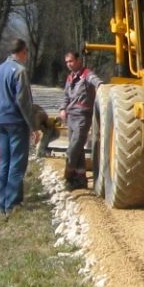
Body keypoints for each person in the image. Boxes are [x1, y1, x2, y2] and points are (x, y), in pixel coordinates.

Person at [0, 38, 34, 214]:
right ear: (22, 51)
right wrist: (32, 125)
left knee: (4, 162)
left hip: (0, 120)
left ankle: (2, 203)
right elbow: (23, 101)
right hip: (16, 121)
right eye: (26, 52)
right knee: (17, 162)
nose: (26, 55)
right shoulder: (20, 71)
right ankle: (13, 203)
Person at [60, 49, 101, 189]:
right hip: (71, 117)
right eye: (67, 62)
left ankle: (68, 175)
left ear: (78, 60)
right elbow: (66, 96)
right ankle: (80, 178)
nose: (69, 64)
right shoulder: (70, 78)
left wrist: (101, 87)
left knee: (74, 148)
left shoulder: (87, 75)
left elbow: (98, 82)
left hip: (82, 116)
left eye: (71, 61)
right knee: (78, 150)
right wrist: (62, 109)